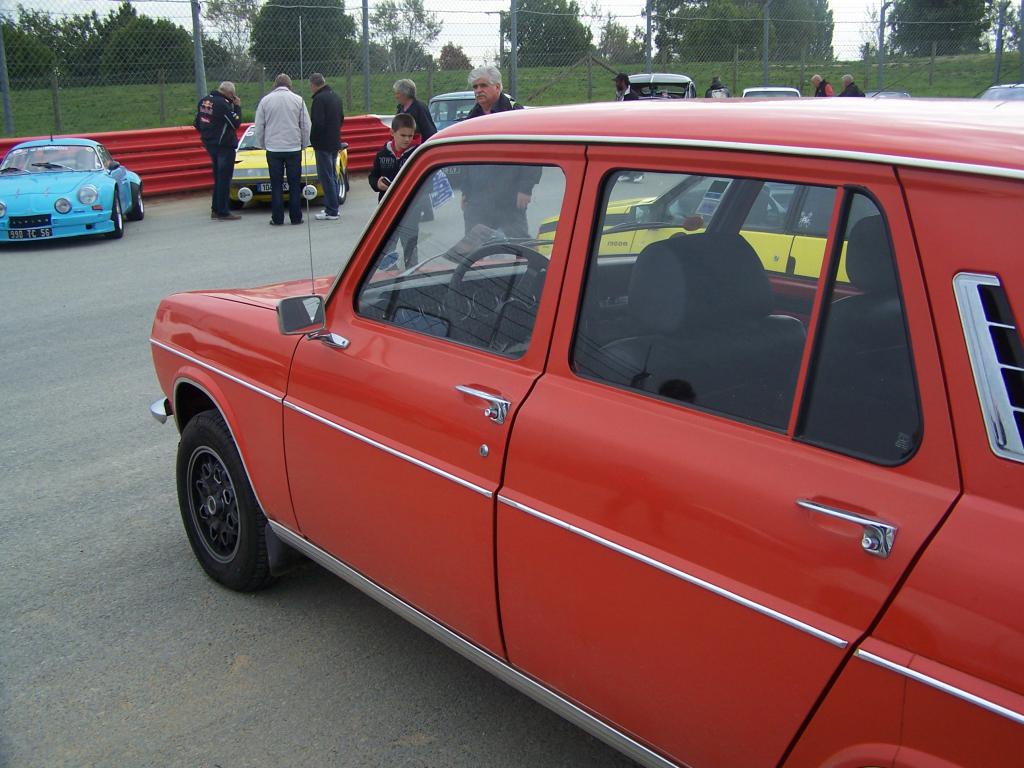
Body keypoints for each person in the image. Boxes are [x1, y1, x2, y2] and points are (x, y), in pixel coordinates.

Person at [462, 65, 542, 238]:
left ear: (497, 87)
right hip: (478, 198)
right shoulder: (472, 117)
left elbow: (532, 151)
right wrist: (465, 192)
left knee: (518, 243)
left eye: (483, 86)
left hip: (509, 196)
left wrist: (525, 188)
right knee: (472, 247)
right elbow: (466, 158)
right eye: (475, 87)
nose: (478, 91)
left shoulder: (514, 113)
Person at [253, 73, 311, 226]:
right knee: (294, 183)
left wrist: (263, 144)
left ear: (275, 85)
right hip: (293, 147)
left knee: (276, 184)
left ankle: (277, 218)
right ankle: (296, 217)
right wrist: (304, 144)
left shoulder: (265, 101)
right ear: (289, 85)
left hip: (273, 148)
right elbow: (306, 125)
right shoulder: (298, 100)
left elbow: (259, 126)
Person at [194, 81, 242, 221]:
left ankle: (215, 209)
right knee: (224, 179)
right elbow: (236, 123)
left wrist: (208, 136)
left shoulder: (204, 101)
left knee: (218, 178)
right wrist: (237, 107)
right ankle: (223, 211)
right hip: (224, 146)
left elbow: (197, 122)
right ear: (230, 93)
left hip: (210, 144)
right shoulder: (223, 104)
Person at [308, 72, 344, 221]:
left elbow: (318, 123)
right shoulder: (335, 96)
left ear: (313, 85)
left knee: (326, 176)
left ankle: (331, 210)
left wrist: (313, 140)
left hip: (322, 143)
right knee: (332, 175)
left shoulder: (319, 99)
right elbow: (341, 118)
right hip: (335, 141)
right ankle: (334, 207)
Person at [369, 113, 416, 202]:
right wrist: (377, 184)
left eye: (410, 136)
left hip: (410, 203)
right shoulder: (382, 154)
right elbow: (373, 176)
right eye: (403, 135)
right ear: (392, 133)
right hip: (387, 203)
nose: (407, 139)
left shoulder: (417, 154)